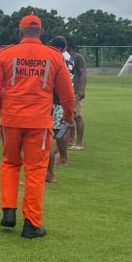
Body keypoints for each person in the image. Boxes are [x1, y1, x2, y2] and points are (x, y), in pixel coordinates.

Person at [0, 15, 75, 239]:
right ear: (41, 32)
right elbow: (67, 93)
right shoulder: (53, 56)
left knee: (9, 163)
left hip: (11, 119)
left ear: (20, 31)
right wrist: (68, 116)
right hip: (39, 122)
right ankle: (31, 223)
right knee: (35, 171)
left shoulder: (5, 54)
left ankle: (8, 211)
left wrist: (0, 110)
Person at [45, 36, 74, 183]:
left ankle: (63, 158)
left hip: (57, 101)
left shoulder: (57, 60)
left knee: (58, 131)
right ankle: (63, 156)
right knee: (61, 129)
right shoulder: (66, 60)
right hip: (63, 100)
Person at [64, 35, 87, 150]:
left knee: (77, 116)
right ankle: (68, 141)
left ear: (67, 45)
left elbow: (83, 73)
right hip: (63, 93)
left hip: (75, 92)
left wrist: (82, 90)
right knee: (65, 117)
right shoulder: (60, 56)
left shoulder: (77, 57)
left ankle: (79, 142)